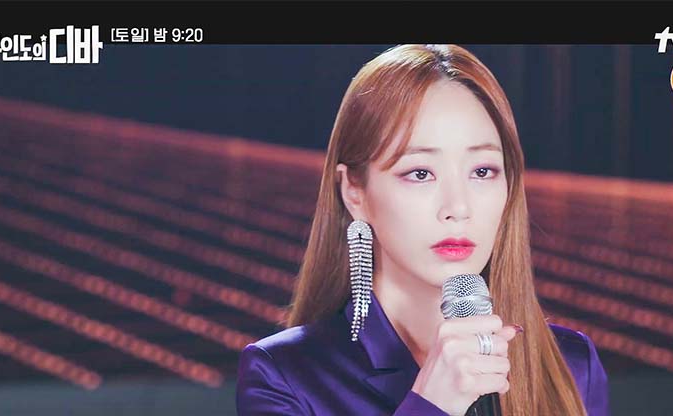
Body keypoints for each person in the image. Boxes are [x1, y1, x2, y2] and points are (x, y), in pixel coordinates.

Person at [235, 44, 609, 415]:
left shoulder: (572, 366)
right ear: (354, 191)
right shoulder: (284, 377)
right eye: (420, 173)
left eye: (482, 171)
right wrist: (433, 402)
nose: (458, 208)